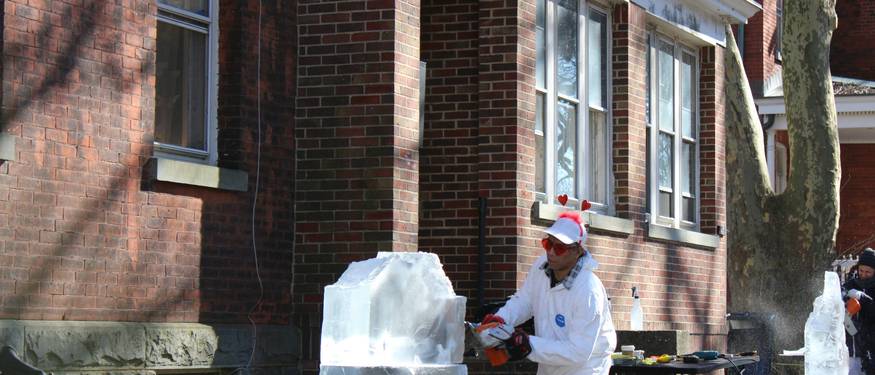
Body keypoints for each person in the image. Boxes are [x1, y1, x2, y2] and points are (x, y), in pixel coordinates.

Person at [479, 211, 617, 375]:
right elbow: (524, 301)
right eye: (548, 244)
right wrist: (501, 318)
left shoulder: (588, 290)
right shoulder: (541, 266)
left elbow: (578, 351)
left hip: (585, 369)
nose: (551, 252)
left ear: (577, 250)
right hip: (548, 366)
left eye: (559, 248)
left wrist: (529, 344)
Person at [845, 248, 875, 375]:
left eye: (868, 272)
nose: (863, 274)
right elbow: (843, 317)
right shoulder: (850, 285)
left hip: (872, 347)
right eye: (861, 270)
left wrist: (867, 302)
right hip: (852, 348)